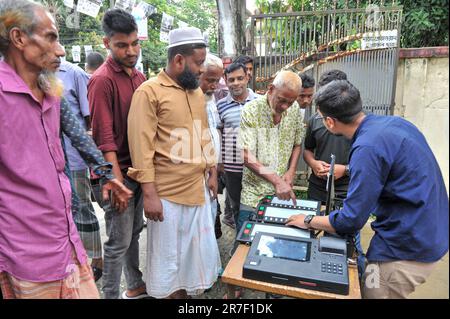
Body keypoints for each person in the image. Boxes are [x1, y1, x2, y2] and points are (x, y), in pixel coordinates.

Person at [287, 80, 449, 299]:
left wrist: (306, 220)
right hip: (430, 232)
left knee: (370, 291)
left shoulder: (367, 148)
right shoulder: (395, 124)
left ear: (330, 122)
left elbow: (350, 220)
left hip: (404, 250)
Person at [0, 0, 100, 299]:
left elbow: (78, 135)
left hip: (67, 242)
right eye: (52, 37)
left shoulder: (50, 91)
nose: (60, 50)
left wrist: (105, 171)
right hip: (27, 258)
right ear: (18, 38)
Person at [127, 27, 221, 299]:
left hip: (199, 190)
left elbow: (204, 135)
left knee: (194, 262)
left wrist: (212, 172)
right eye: (199, 62)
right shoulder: (149, 93)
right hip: (167, 196)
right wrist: (150, 195)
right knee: (169, 264)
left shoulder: (195, 93)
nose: (202, 69)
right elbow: (141, 147)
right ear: (179, 60)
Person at [88, 8, 147, 299]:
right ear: (106, 43)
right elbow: (103, 138)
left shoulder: (139, 77)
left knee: (134, 235)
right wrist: (116, 182)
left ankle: (134, 285)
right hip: (114, 175)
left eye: (134, 43)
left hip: (137, 171)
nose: (130, 50)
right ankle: (110, 295)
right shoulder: (101, 80)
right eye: (122, 45)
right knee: (116, 243)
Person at [239, 71, 304, 232]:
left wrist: (291, 171)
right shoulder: (251, 110)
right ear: (270, 89)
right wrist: (276, 180)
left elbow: (297, 143)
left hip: (281, 194)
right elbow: (245, 154)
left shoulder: (295, 109)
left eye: (290, 102)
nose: (285, 106)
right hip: (253, 194)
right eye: (281, 100)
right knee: (244, 245)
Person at [57, 60, 104, 281]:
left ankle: (96, 259)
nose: (58, 49)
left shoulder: (73, 73)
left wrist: (99, 164)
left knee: (82, 207)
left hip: (75, 159)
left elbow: (90, 119)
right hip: (49, 163)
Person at [217, 62, 259, 231]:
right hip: (232, 169)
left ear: (247, 77)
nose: (236, 83)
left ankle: (255, 241)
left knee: (257, 207)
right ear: (225, 81)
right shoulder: (221, 105)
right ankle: (240, 241)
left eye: (240, 78)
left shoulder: (260, 102)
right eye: (231, 79)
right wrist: (219, 162)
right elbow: (218, 136)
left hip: (256, 168)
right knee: (236, 208)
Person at [303, 70, 351, 203]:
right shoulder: (315, 120)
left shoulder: (359, 122)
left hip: (348, 190)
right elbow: (308, 150)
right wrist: (313, 163)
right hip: (317, 189)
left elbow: (370, 162)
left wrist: (345, 170)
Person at [199, 53, 224, 239]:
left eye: (217, 80)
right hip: (197, 174)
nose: (214, 85)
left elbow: (213, 132)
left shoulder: (210, 99)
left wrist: (214, 171)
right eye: (210, 80)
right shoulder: (191, 99)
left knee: (210, 215)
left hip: (210, 170)